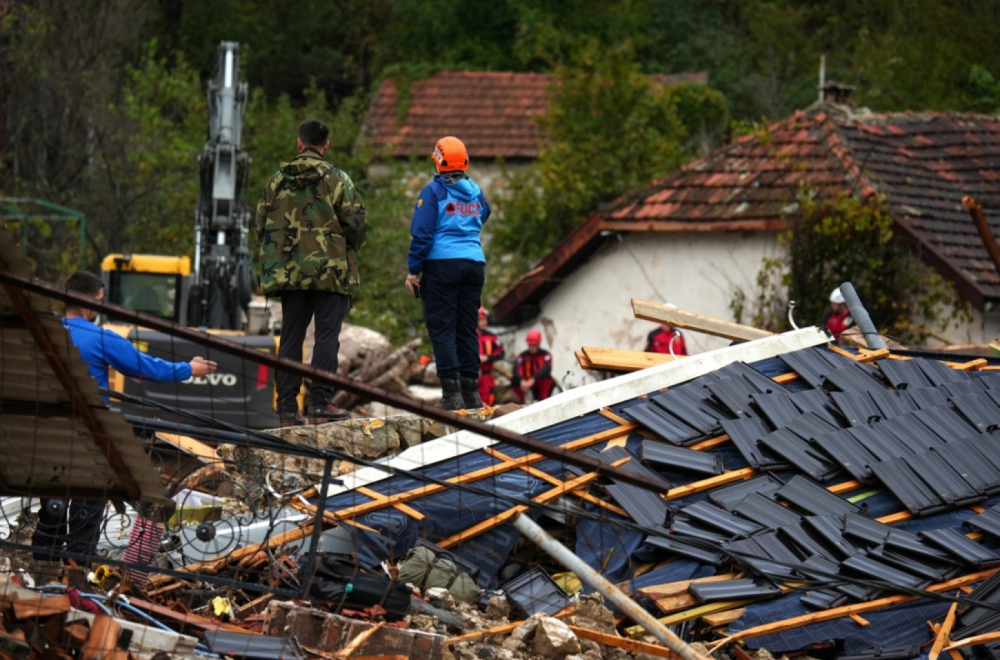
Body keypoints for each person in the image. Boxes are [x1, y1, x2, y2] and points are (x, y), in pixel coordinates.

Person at [32, 271, 218, 570]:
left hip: (46, 436)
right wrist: (188, 368)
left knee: (51, 508)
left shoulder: (42, 331)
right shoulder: (99, 338)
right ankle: (77, 580)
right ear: (87, 301)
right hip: (87, 439)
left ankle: (42, 575)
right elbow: (145, 368)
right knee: (85, 510)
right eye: (100, 302)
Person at [256, 118, 368, 427]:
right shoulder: (338, 180)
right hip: (330, 273)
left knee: (291, 337)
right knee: (326, 336)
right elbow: (356, 224)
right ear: (326, 145)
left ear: (299, 143)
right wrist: (344, 249)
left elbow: (260, 224)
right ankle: (320, 403)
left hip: (291, 274)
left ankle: (288, 409)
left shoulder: (277, 181)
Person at [404, 136, 491, 410]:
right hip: (474, 265)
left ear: (438, 161)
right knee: (467, 328)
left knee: (442, 328)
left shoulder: (433, 192)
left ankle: (451, 395)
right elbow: (484, 214)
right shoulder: (476, 192)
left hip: (442, 266)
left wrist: (413, 270)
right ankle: (472, 394)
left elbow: (422, 233)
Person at [511, 329, 554, 404]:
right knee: (514, 380)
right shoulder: (523, 355)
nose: (532, 347)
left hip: (538, 383)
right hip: (525, 384)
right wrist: (522, 380)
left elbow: (547, 368)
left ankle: (543, 402)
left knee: (547, 378)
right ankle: (522, 402)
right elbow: (516, 368)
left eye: (534, 345)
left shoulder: (545, 355)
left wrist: (533, 379)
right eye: (530, 345)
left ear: (538, 344)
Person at [477, 307, 505, 406]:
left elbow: (501, 353)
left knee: (489, 401)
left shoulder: (492, 337)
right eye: (481, 320)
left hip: (487, 376)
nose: (484, 322)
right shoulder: (469, 337)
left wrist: (487, 358)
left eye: (485, 319)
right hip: (472, 376)